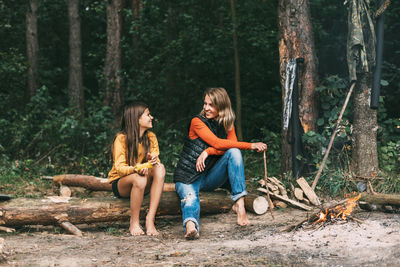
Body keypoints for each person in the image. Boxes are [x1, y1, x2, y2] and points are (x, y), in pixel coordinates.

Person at [174, 87, 267, 240]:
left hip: (209, 177)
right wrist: (251, 145)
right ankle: (191, 226)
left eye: (211, 105)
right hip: (187, 177)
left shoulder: (227, 123)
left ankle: (240, 205)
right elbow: (217, 143)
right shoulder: (197, 121)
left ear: (221, 106)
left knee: (234, 152)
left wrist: (207, 152)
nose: (206, 108)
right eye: (205, 104)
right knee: (190, 197)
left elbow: (232, 146)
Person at [108, 102, 165, 236]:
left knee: (160, 168)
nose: (151, 117)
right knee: (139, 178)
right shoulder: (121, 139)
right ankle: (134, 222)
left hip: (143, 180)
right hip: (122, 183)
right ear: (136, 118)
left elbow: (156, 161)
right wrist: (136, 169)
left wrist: (152, 161)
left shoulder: (151, 137)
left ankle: (150, 220)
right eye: (147, 115)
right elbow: (120, 168)